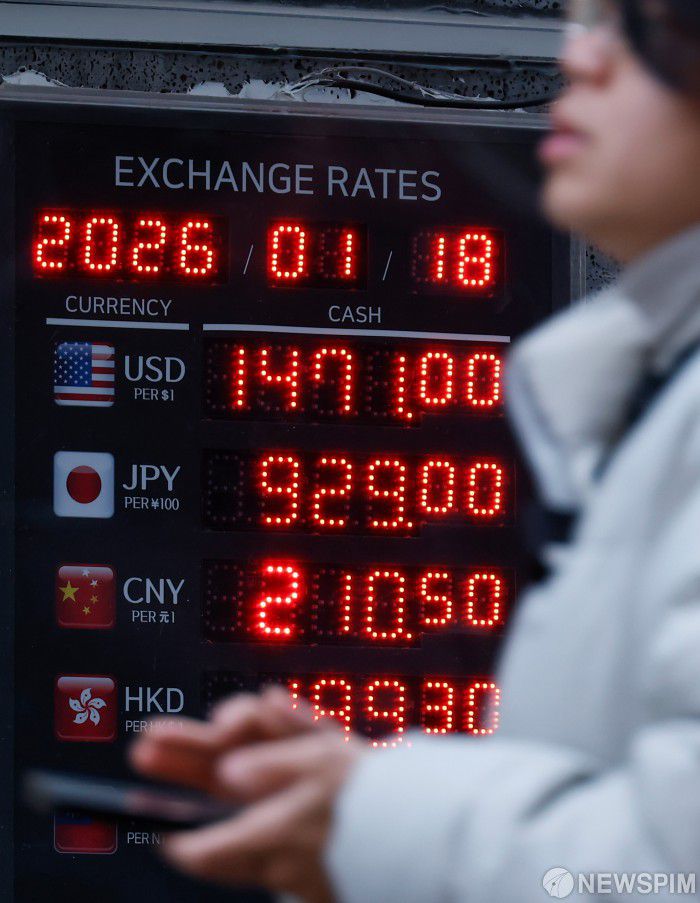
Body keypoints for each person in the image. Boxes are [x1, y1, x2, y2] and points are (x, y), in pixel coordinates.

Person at [129, 1, 700, 899]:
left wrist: (369, 814)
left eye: (651, 27)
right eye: (584, 19)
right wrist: (356, 793)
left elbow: (673, 870)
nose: (581, 57)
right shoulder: (650, 402)